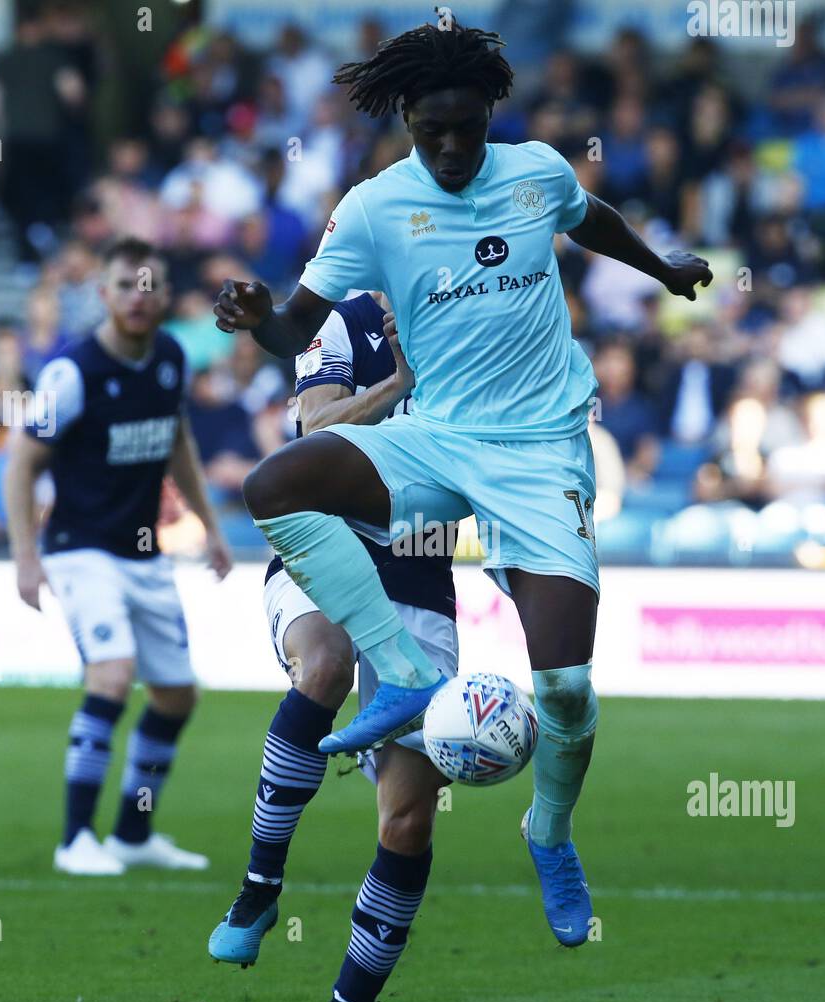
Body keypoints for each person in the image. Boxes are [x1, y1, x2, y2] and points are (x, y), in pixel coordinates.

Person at [214, 22, 711, 949]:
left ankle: (549, 832)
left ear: (489, 116)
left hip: (540, 455)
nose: (448, 147)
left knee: (564, 689)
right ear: (403, 119)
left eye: (464, 129)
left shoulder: (534, 173)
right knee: (276, 483)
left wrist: (665, 268)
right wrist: (257, 322)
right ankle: (398, 671)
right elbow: (294, 333)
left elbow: (588, 217)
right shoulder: (371, 208)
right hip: (436, 439)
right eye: (428, 130)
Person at [209, 294, 457, 1002]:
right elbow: (313, 429)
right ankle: (257, 893)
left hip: (420, 574)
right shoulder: (343, 320)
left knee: (409, 818)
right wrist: (401, 381)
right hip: (325, 546)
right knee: (326, 662)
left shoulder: (481, 335)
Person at [4, 237, 231, 875]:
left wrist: (209, 525)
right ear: (103, 294)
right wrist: (26, 557)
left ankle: (133, 833)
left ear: (163, 297)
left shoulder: (170, 358)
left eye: (150, 285)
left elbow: (178, 438)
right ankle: (76, 838)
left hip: (144, 553)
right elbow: (21, 462)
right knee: (111, 672)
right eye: (125, 285)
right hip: (80, 550)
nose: (138, 296)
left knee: (177, 697)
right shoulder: (72, 374)